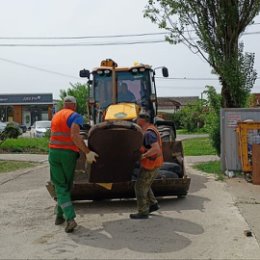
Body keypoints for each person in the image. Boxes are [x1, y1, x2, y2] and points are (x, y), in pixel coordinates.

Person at [48, 96, 99, 233]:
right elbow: (75, 136)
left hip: (53, 153)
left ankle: (59, 215)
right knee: (65, 186)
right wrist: (87, 152)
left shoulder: (56, 116)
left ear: (64, 105)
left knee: (61, 186)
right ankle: (70, 218)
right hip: (68, 154)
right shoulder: (75, 116)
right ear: (75, 106)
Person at [130, 112, 163, 219]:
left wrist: (143, 156)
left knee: (139, 186)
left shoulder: (148, 133)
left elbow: (156, 149)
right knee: (145, 184)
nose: (135, 120)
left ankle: (143, 211)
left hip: (151, 164)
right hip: (154, 163)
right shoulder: (151, 129)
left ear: (142, 120)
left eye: (137, 119)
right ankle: (153, 204)